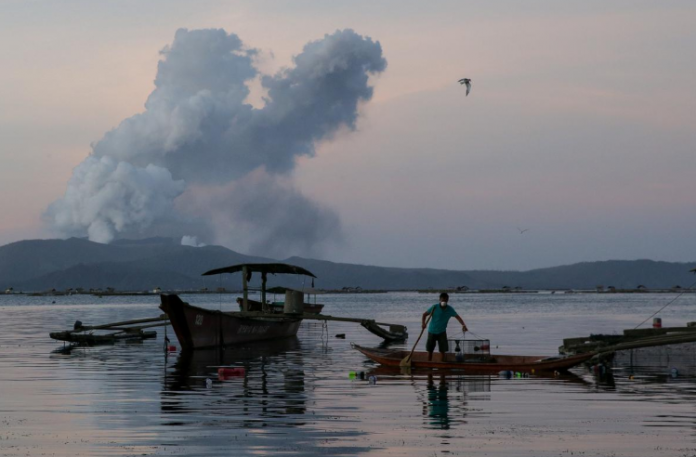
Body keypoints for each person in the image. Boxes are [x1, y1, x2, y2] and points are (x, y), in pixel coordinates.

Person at [422, 292, 467, 361]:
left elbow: (458, 317)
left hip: (442, 332)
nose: (444, 302)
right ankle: (429, 364)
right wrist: (423, 324)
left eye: (446, 300)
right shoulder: (434, 307)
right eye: (443, 300)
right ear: (440, 299)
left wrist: (463, 325)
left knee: (443, 351)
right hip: (432, 331)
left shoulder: (450, 309)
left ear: (448, 300)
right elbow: (424, 314)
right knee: (430, 350)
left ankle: (442, 365)